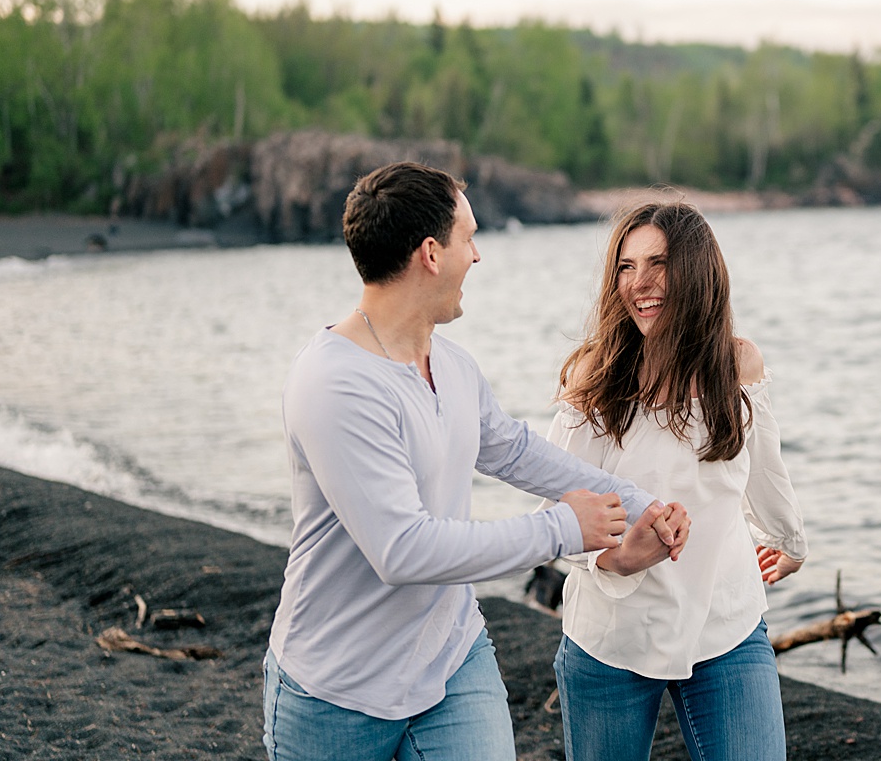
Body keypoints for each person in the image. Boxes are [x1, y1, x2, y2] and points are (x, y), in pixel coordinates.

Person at [264, 163, 690, 761]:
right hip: (335, 692)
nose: (478, 256)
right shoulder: (334, 383)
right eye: (470, 238)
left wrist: (638, 502)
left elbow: (514, 451)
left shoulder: (453, 366)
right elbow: (403, 551)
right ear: (431, 253)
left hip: (451, 665)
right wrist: (562, 529)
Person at [545, 201, 807, 761]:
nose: (639, 284)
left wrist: (790, 543)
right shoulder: (595, 376)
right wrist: (614, 559)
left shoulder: (739, 365)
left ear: (697, 271)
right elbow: (558, 506)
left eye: (658, 263)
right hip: (612, 635)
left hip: (726, 624)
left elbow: (763, 470)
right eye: (625, 266)